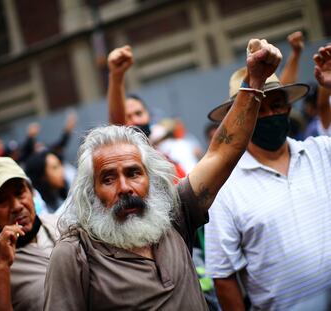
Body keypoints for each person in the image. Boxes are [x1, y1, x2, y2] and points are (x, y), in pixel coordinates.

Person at [43, 38, 282, 310]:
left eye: (134, 173)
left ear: (151, 178)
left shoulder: (174, 214)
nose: (124, 187)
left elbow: (220, 152)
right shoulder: (75, 254)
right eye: (108, 178)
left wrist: (255, 83)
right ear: (91, 191)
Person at [205, 44, 331, 310]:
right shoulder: (226, 187)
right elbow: (223, 276)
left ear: (288, 109)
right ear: (241, 119)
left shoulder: (322, 152)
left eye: (277, 106)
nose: (270, 115)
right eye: (258, 109)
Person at [0, 157, 58, 311]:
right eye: (1, 201)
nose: (16, 206)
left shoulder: (61, 226)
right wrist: (2, 266)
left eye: (20, 193)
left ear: (31, 192)